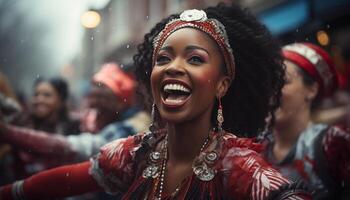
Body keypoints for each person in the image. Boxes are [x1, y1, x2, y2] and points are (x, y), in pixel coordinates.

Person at [0, 3, 310, 199]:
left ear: (222, 84)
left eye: (195, 59)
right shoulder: (134, 155)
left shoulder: (240, 169)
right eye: (163, 58)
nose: (173, 67)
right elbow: (48, 184)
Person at [0, 62, 150, 163]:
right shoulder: (88, 121)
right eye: (93, 97)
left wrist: (9, 133)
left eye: (102, 97)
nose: (39, 100)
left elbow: (80, 147)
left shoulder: (129, 127)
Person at [261, 42, 350, 199]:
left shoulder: (333, 144)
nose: (271, 89)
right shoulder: (254, 152)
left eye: (283, 81)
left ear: (311, 90)